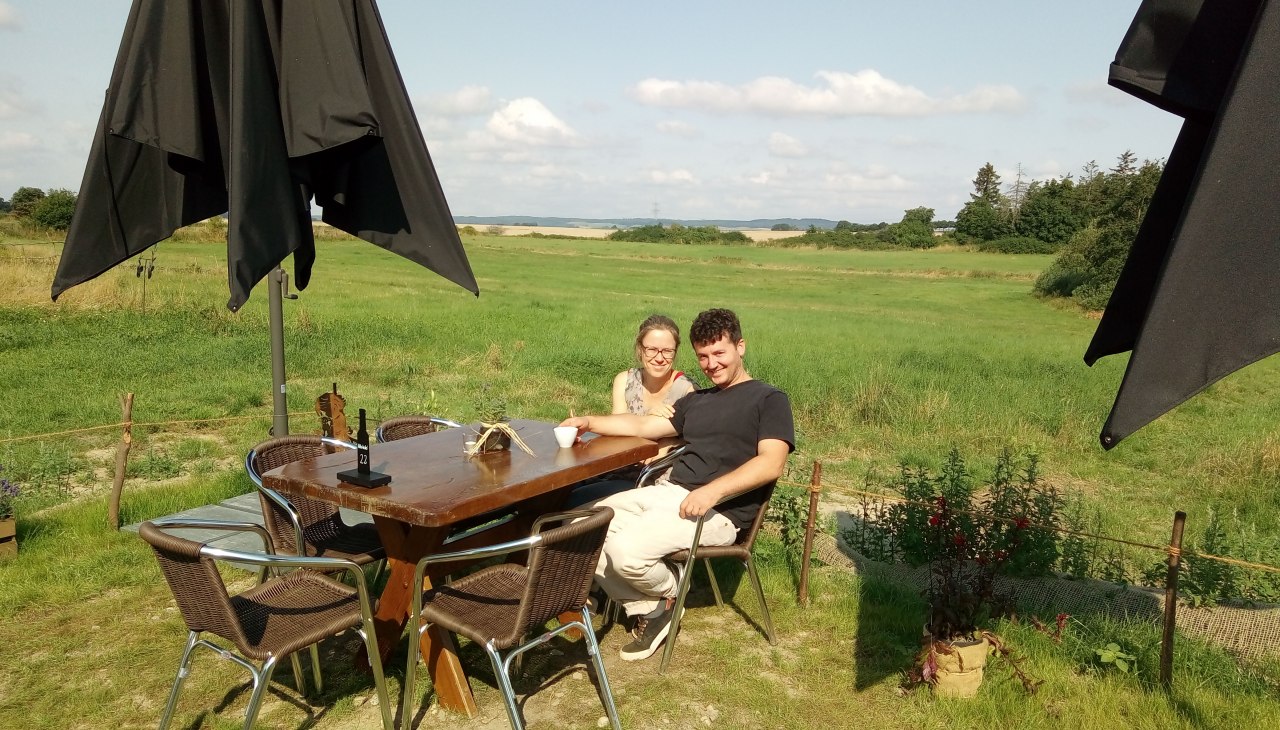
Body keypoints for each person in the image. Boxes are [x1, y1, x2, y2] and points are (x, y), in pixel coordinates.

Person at [560, 308, 794, 661]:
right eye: (703, 356)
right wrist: (587, 422)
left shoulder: (768, 399)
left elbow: (771, 462)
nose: (711, 364)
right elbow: (642, 427)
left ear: (740, 347)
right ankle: (654, 606)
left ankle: (668, 591)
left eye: (719, 353)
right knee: (580, 526)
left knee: (624, 550)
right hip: (669, 494)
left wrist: (713, 491)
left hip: (719, 511)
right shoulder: (697, 400)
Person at [611, 314, 697, 418]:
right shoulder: (625, 381)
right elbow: (615, 424)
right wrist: (648, 417)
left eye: (667, 351)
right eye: (652, 349)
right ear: (640, 349)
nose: (659, 359)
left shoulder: (687, 389)